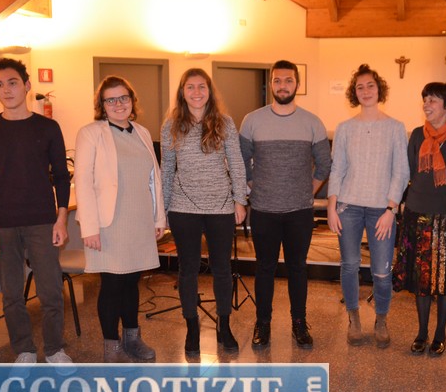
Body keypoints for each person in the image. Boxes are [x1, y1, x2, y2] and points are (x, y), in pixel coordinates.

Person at [0, 58, 73, 367]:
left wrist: (62, 218)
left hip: (42, 220)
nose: (6, 90)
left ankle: (54, 350)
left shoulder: (48, 127)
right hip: (1, 223)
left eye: (12, 83)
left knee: (51, 292)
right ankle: (24, 350)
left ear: (26, 85)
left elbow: (61, 175)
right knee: (12, 294)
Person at [239, 60, 331, 350]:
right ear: (271, 84)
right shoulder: (252, 120)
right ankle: (262, 323)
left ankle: (299, 323)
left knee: (297, 268)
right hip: (263, 210)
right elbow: (241, 161)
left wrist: (307, 191)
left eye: (288, 80)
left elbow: (324, 164)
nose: (282, 86)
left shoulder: (312, 122)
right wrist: (253, 187)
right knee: (264, 268)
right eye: (277, 81)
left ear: (297, 85)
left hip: (299, 212)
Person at [75, 76, 165, 362]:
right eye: (110, 99)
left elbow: (154, 180)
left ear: (132, 100)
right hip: (108, 224)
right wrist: (89, 228)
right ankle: (111, 345)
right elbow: (83, 182)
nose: (118, 104)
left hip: (139, 220)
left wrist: (158, 218)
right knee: (113, 284)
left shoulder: (142, 132)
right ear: (101, 105)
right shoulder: (91, 133)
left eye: (123, 98)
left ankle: (132, 338)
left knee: (131, 281)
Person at [161, 68, 247, 356]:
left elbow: (236, 162)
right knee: (188, 269)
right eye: (190, 87)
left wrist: (239, 200)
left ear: (209, 91)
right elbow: (166, 169)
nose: (196, 92)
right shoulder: (171, 125)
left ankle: (224, 325)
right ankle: (192, 327)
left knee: (222, 268)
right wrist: (162, 208)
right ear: (182, 92)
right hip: (182, 206)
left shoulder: (225, 123)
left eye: (202, 87)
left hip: (220, 206)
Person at [327, 64, 409, 348]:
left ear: (379, 89)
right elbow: (337, 169)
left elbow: (401, 172)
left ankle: (381, 319)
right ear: (354, 93)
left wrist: (391, 209)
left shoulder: (395, 128)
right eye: (359, 87)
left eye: (370, 85)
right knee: (349, 265)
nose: (365, 91)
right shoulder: (345, 128)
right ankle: (354, 319)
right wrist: (331, 206)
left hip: (381, 210)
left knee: (382, 272)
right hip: (348, 207)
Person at [393, 82, 446, 356]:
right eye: (425, 99)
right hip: (417, 215)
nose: (426, 104)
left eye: (432, 100)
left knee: (445, 279)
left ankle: (440, 333)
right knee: (421, 279)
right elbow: (409, 172)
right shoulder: (416, 135)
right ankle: (422, 332)